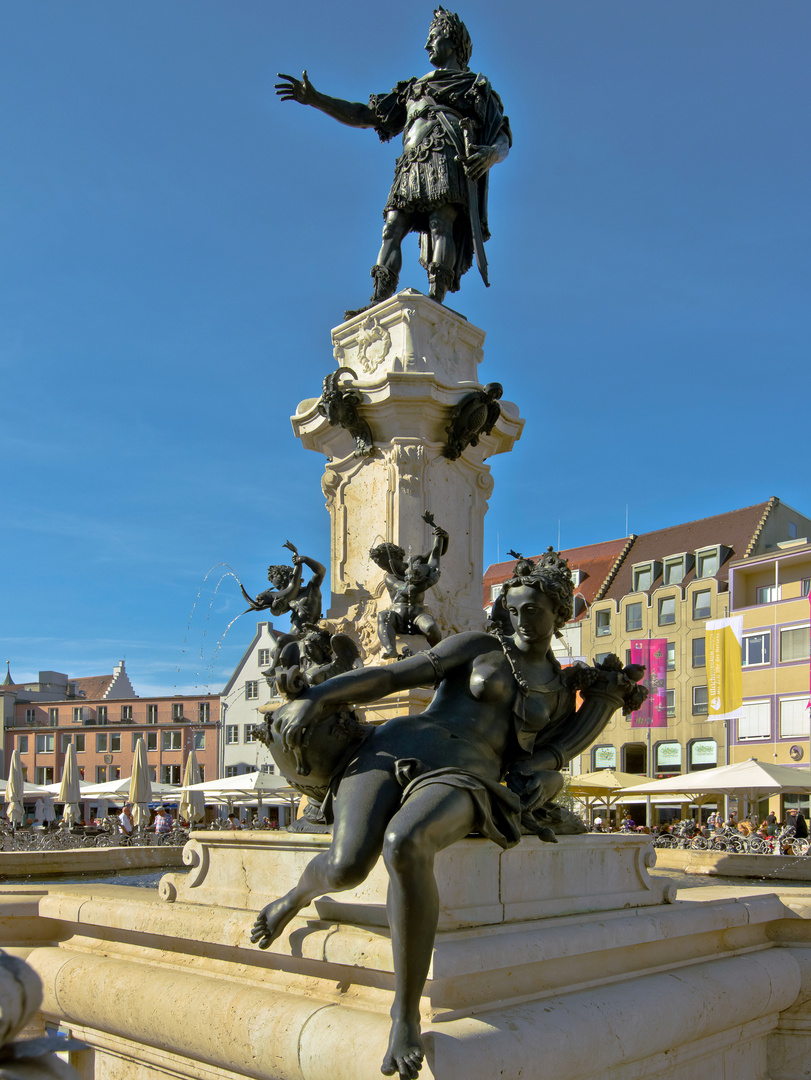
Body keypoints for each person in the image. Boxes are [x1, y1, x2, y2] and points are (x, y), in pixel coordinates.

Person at [251, 550, 644, 1080]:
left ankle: (404, 1012)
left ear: (558, 613)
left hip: (466, 775)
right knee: (345, 868)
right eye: (516, 608)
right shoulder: (480, 647)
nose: (523, 619)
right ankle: (297, 895)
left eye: (535, 611)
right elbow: (391, 677)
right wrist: (317, 697)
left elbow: (545, 760)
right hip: (395, 746)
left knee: (406, 844)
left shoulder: (559, 692)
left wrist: (549, 774)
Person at [276, 8, 511, 312]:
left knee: (442, 223)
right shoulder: (413, 89)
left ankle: (434, 301)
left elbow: (502, 136)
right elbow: (363, 115)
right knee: (392, 227)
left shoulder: (474, 87)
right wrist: (316, 99)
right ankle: (378, 302)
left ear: (452, 42)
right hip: (411, 162)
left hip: (445, 156)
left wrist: (491, 154)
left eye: (434, 38)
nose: (427, 45)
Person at [370, 515, 448, 659]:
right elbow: (406, 591)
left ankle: (441, 653)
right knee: (383, 616)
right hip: (398, 617)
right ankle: (390, 648)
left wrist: (444, 537)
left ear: (396, 557)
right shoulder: (390, 577)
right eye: (383, 568)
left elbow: (437, 553)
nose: (387, 570)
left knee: (431, 627)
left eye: (387, 565)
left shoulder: (415, 561)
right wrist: (430, 581)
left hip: (418, 614)